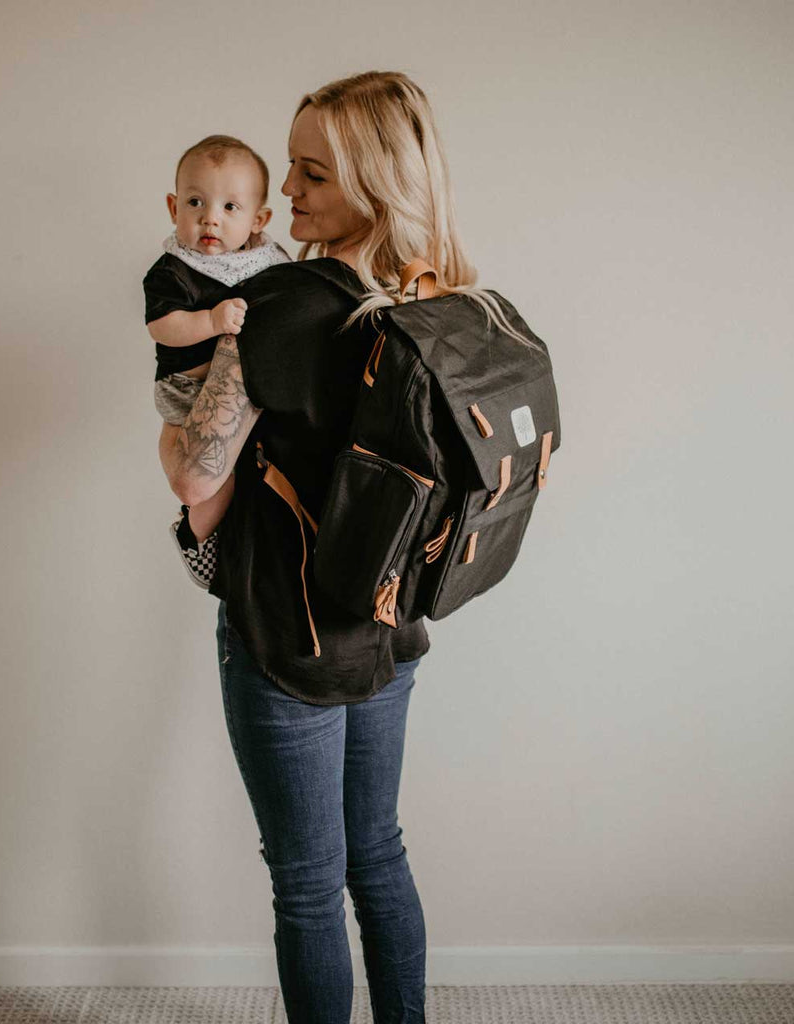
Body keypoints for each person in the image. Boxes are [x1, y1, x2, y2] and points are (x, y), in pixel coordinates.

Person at [158, 70, 528, 1024]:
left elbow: (199, 476)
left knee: (310, 886)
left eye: (312, 173)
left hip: (289, 635)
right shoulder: (446, 298)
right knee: (378, 853)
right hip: (390, 625)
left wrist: (171, 431)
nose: (287, 193)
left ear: (372, 183)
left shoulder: (282, 299)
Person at [143, 134, 290, 587]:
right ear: (173, 208)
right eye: (195, 202)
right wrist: (210, 321)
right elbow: (162, 326)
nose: (210, 217)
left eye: (230, 207)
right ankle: (197, 538)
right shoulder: (172, 270)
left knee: (250, 469)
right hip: (186, 390)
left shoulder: (268, 265)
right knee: (217, 480)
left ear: (259, 219)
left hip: (248, 398)